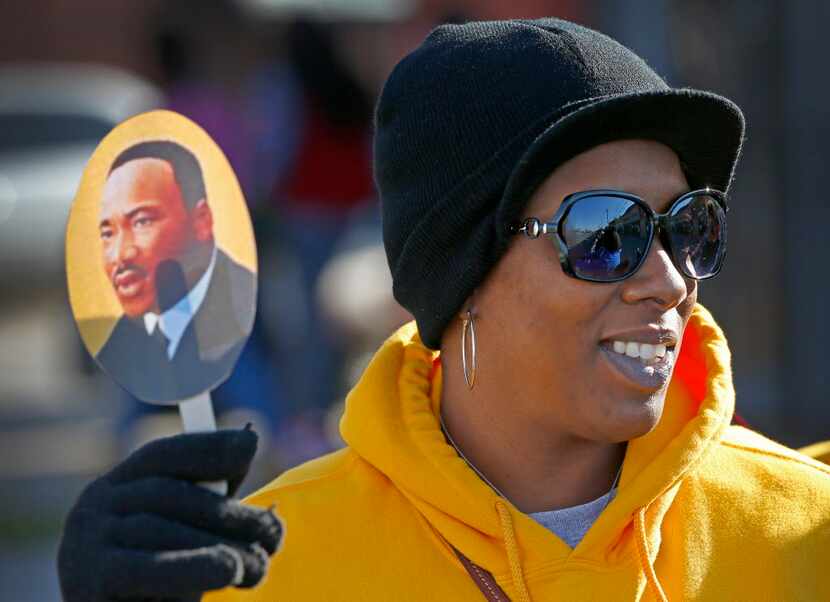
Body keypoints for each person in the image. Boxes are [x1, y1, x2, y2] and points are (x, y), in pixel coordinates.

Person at [59, 18, 830, 601]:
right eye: (606, 234)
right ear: (461, 276)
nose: (667, 279)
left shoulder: (804, 532)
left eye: (689, 226)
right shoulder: (269, 564)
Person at [93, 141, 256, 403]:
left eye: (142, 221)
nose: (121, 253)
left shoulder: (241, 309)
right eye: (108, 232)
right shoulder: (119, 341)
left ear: (202, 221)